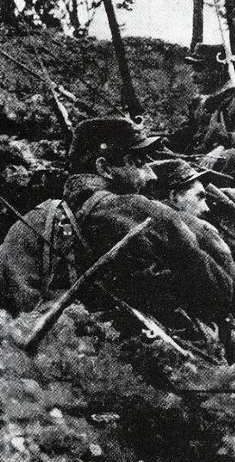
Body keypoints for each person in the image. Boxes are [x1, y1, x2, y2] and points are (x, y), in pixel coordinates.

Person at [0, 116, 162, 316]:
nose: (152, 175)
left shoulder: (135, 217)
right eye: (138, 163)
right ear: (104, 168)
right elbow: (26, 318)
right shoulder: (35, 227)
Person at [149, 157, 235, 348]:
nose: (206, 207)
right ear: (174, 196)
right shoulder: (199, 229)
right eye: (200, 197)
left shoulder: (149, 223)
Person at [166, 43, 235, 189]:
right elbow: (188, 133)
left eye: (199, 68)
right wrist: (165, 142)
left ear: (219, 69)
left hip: (231, 176)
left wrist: (224, 144)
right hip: (198, 166)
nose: (192, 76)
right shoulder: (200, 102)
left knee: (231, 156)